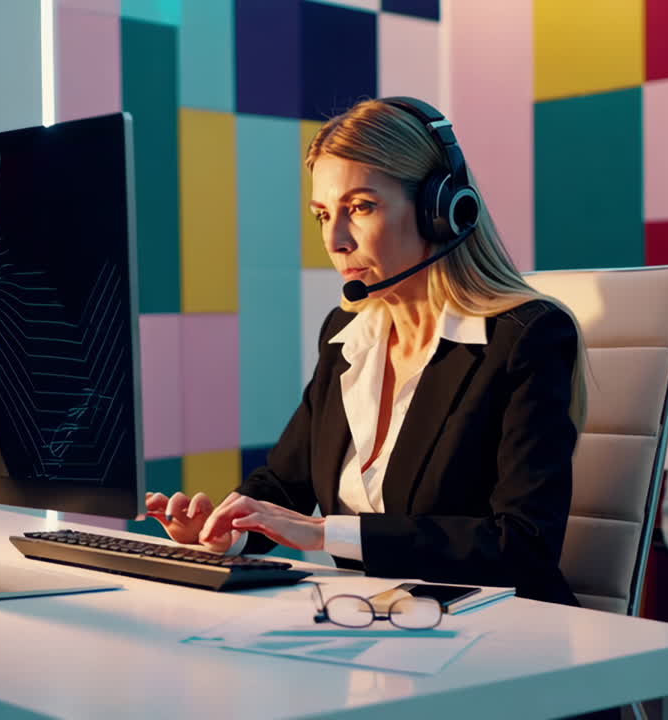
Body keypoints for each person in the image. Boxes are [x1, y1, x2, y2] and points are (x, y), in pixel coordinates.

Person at [144, 97, 589, 606]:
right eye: (322, 215)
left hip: (502, 633)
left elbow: (523, 546)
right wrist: (231, 530)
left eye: (360, 207)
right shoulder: (350, 334)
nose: (335, 240)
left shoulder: (525, 338)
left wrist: (324, 533)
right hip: (374, 623)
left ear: (440, 209)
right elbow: (286, 487)